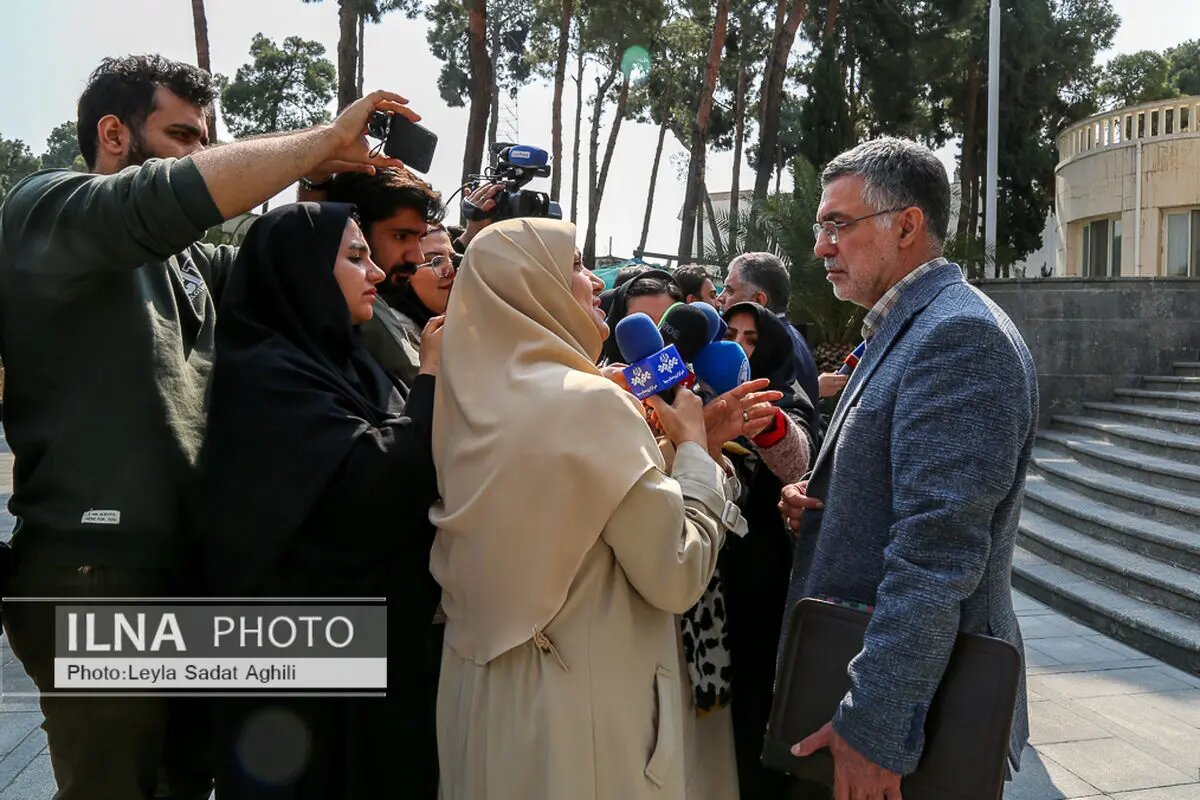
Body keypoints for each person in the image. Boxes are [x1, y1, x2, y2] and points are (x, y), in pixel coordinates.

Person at [0, 53, 408, 800]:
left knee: (193, 778)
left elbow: (296, 272)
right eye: (185, 135)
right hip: (96, 578)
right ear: (114, 133)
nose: (202, 154)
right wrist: (317, 137)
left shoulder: (195, 262)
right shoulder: (47, 208)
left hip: (181, 574)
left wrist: (339, 190)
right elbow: (163, 199)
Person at [429, 218, 748, 800]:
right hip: (582, 717)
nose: (595, 282)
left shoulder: (464, 399)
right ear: (534, 286)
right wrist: (698, 454)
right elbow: (675, 571)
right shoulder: (589, 403)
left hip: (483, 700)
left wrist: (669, 446)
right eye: (575, 265)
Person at [779, 137, 1036, 799]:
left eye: (838, 224)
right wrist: (831, 502)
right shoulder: (910, 326)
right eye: (820, 226)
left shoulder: (957, 336)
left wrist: (874, 730)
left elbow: (937, 554)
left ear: (907, 225)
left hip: (909, 730)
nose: (820, 246)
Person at [200, 202, 444, 798]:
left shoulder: (342, 360)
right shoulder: (264, 375)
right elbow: (371, 488)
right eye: (356, 256)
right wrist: (432, 377)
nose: (380, 273)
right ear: (303, 271)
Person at [717, 302, 818, 800]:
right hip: (710, 574)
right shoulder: (699, 389)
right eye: (730, 332)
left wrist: (762, 422)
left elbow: (798, 456)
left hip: (766, 572)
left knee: (759, 694)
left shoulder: (784, 394)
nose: (738, 345)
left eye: (752, 338)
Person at [317, 167, 445, 389]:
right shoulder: (359, 312)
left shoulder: (382, 301)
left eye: (420, 238)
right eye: (401, 236)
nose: (417, 256)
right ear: (356, 231)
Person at [716, 252, 823, 425]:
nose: (720, 298)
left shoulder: (776, 349)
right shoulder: (792, 337)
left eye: (730, 290)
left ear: (759, 299)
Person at [599, 269, 684, 363]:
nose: (656, 333)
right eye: (643, 323)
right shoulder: (590, 374)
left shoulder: (694, 373)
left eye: (665, 323)